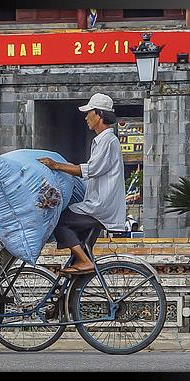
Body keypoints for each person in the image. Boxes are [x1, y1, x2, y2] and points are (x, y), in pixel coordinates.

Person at [38, 93, 126, 274]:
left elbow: (90, 170)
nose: (86, 117)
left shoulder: (108, 141)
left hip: (100, 206)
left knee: (60, 221)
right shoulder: (103, 140)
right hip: (98, 204)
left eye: (89, 113)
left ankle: (84, 261)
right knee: (79, 249)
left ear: (99, 115)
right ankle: (75, 290)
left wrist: (56, 166)